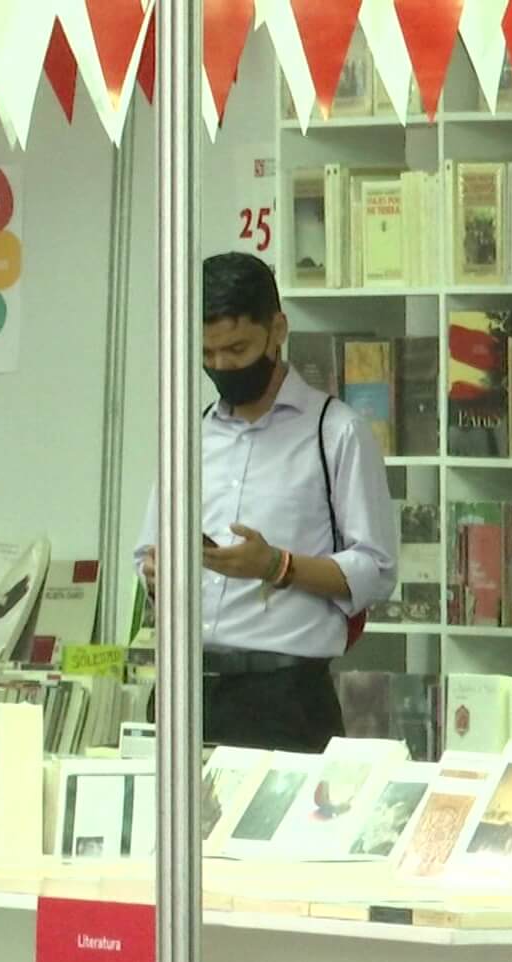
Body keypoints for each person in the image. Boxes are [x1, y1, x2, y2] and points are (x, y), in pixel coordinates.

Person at [136, 253, 397, 753]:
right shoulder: (190, 437)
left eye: (236, 348)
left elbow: (376, 569)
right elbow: (147, 552)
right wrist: (154, 574)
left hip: (284, 698)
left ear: (277, 329)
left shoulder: (335, 432)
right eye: (207, 354)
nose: (221, 366)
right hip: (184, 688)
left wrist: (277, 565)